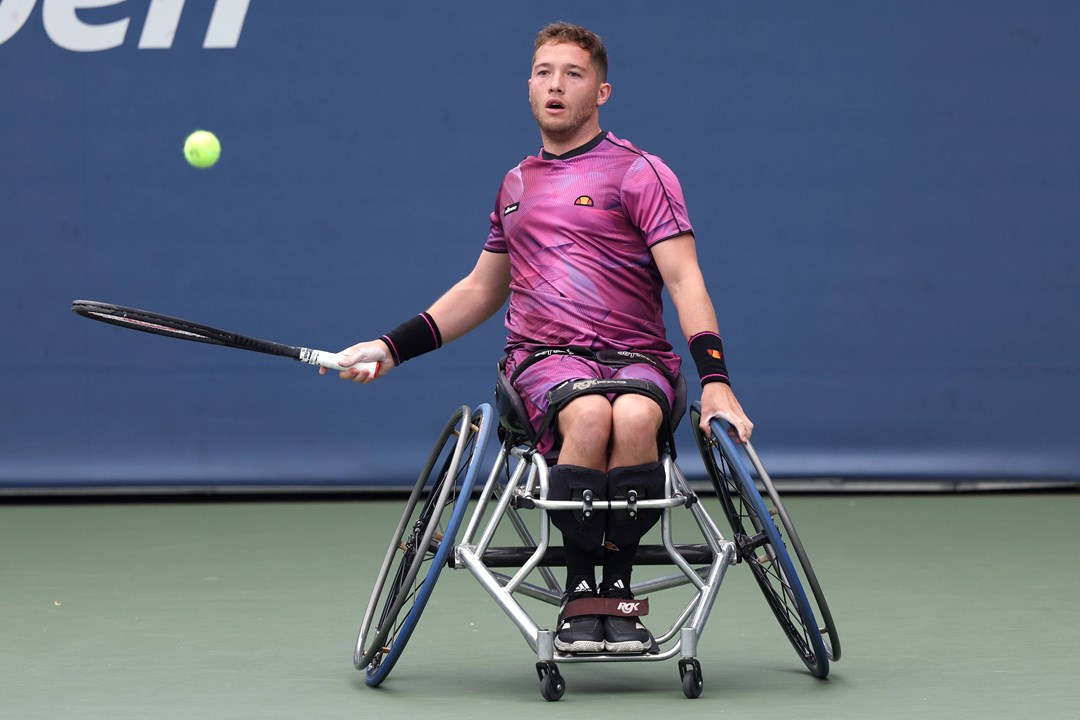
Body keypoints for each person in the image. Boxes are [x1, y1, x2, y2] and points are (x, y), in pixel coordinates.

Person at [324, 21, 753, 655]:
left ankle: (617, 591)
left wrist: (717, 385)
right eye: (544, 73)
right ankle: (584, 591)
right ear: (529, 86)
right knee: (586, 415)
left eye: (573, 75)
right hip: (542, 362)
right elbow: (480, 289)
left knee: (634, 416)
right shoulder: (516, 185)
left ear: (602, 92)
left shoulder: (642, 174)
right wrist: (390, 346)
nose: (555, 86)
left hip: (638, 358)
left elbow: (686, 281)